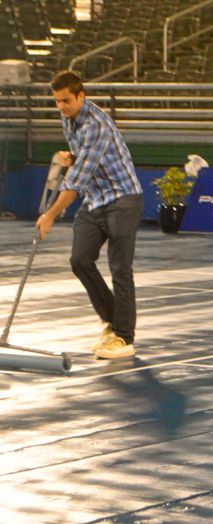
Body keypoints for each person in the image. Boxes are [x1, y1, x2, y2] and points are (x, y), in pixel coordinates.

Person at [36, 70, 144, 359]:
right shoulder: (68, 117)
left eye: (66, 101)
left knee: (120, 269)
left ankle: (124, 337)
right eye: (57, 101)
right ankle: (112, 321)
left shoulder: (95, 124)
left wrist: (49, 215)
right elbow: (84, 159)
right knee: (80, 260)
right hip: (95, 200)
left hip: (123, 199)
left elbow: (75, 183)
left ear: (81, 96)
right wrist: (72, 157)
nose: (61, 106)